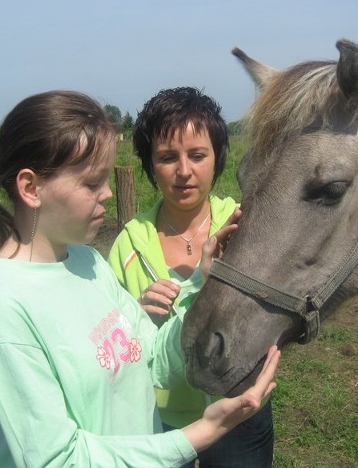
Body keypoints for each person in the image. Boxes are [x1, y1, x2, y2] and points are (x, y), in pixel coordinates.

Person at [0, 90, 280, 467]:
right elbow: (56, 459)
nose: (109, 194)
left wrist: (199, 284)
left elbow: (151, 358)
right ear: (31, 188)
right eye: (91, 183)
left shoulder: (87, 263)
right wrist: (198, 434)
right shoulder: (2, 307)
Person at [108, 87, 275, 467]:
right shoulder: (128, 243)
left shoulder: (243, 227)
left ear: (217, 159)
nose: (184, 171)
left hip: (238, 407)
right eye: (168, 157)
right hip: (157, 416)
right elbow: (110, 338)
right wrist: (136, 313)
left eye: (197, 155)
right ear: (150, 166)